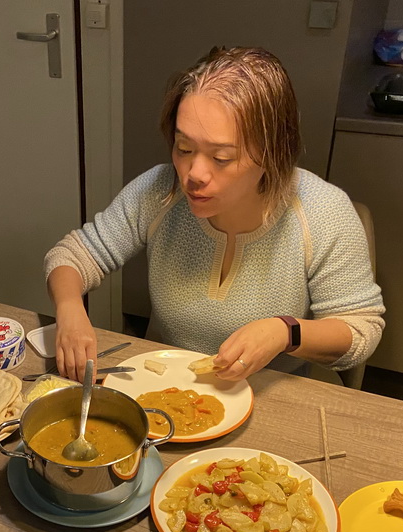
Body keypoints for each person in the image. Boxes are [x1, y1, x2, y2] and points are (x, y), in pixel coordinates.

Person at [45, 47, 384, 383]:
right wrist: (71, 310)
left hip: (270, 394)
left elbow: (360, 330)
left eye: (221, 157)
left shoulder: (321, 210)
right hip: (166, 384)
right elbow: (71, 256)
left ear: (272, 153)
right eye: (184, 148)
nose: (194, 174)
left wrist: (286, 332)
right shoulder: (159, 191)